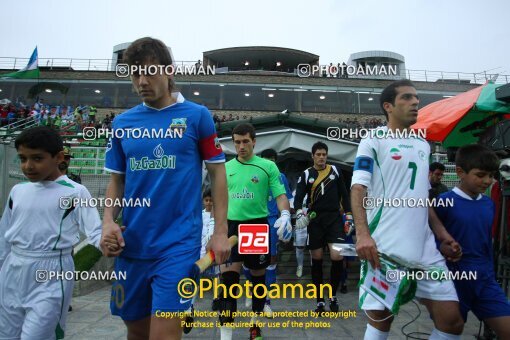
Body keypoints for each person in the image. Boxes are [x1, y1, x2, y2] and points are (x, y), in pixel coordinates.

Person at [101, 37, 231, 340]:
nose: (142, 81)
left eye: (150, 71)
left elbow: (218, 173)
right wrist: (108, 222)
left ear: (169, 71)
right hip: (132, 246)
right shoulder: (122, 123)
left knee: (164, 335)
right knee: (136, 332)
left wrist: (221, 230)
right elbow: (116, 181)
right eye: (135, 74)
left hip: (178, 247)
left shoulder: (197, 116)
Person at [351, 79, 464, 340]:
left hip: (425, 251)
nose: (415, 102)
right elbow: (358, 189)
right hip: (385, 249)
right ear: (388, 106)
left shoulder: (423, 145)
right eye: (407, 98)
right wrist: (362, 235)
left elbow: (422, 198)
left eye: (416, 98)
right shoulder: (373, 140)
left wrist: (443, 235)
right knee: (381, 325)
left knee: (452, 322)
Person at [0, 126, 103, 339]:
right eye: (22, 158)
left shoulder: (75, 191)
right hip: (12, 271)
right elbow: (4, 236)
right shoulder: (18, 191)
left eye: (37, 158)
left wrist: (111, 243)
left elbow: (95, 232)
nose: (28, 166)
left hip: (51, 272)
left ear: (58, 157)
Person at [219, 123, 292, 340]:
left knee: (257, 282)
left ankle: (255, 327)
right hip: (231, 227)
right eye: (237, 142)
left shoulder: (267, 167)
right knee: (228, 282)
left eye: (245, 141)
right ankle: (225, 334)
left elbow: (280, 195)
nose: (241, 146)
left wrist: (285, 215)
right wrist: (216, 229)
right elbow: (220, 201)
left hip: (256, 226)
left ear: (254, 141)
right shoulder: (225, 168)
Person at [434, 144, 510, 338]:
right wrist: (442, 247)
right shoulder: (443, 202)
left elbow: (486, 242)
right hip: (454, 281)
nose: (487, 181)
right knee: (451, 331)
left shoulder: (488, 204)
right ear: (460, 172)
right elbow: (428, 239)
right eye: (481, 174)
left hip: (485, 280)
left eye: (492, 175)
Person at [294, 141, 353, 314]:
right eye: (318, 154)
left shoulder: (335, 171)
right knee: (317, 259)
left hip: (335, 219)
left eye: (324, 154)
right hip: (315, 220)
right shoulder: (306, 174)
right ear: (312, 156)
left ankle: (333, 295)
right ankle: (320, 300)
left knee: (337, 257)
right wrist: (299, 213)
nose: (321, 157)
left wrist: (348, 216)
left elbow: (344, 193)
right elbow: (298, 198)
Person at [243, 148, 293, 317]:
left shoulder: (281, 177)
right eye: (266, 160)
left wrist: (289, 218)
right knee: (247, 261)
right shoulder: (253, 175)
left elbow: (288, 200)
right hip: (253, 220)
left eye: (272, 160)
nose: (269, 163)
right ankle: (252, 289)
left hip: (272, 221)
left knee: (270, 259)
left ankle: (266, 302)